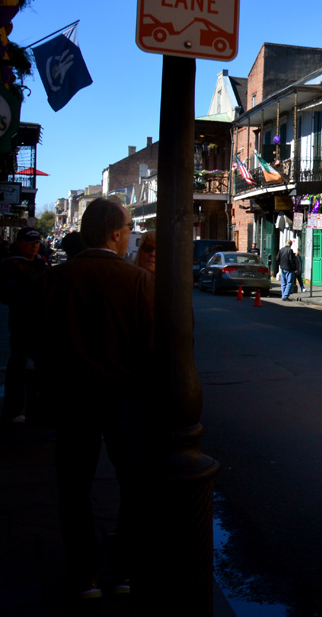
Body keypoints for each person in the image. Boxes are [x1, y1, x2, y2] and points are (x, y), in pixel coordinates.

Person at [46, 197, 155, 599]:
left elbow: (44, 344)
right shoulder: (136, 281)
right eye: (128, 231)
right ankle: (125, 569)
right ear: (115, 234)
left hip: (73, 399)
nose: (130, 238)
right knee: (134, 484)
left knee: (74, 487)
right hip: (125, 399)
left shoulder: (57, 279)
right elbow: (150, 348)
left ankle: (85, 573)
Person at [0, 226, 50, 425]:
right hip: (21, 322)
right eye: (30, 243)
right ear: (20, 243)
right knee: (17, 367)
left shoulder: (42, 263)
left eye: (37, 243)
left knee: (42, 368)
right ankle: (13, 410)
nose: (34, 247)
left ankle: (38, 409)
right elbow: (6, 294)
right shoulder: (10, 265)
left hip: (41, 324)